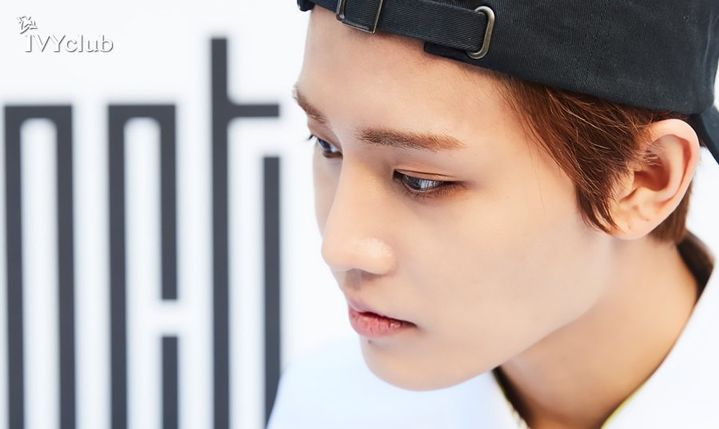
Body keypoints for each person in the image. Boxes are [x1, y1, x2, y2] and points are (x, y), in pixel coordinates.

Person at [268, 1, 719, 428]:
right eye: (326, 145)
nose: (339, 246)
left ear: (643, 178)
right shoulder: (327, 405)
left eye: (421, 180)